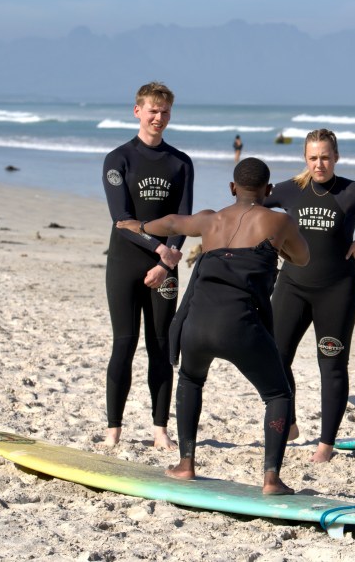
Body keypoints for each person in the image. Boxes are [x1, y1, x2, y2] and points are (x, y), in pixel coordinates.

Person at [116, 157, 309, 494]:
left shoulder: (209, 220)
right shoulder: (280, 221)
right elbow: (303, 257)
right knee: (278, 394)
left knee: (190, 380)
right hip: (241, 327)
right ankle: (271, 478)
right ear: (269, 190)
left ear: (233, 189)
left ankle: (186, 464)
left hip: (196, 324)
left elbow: (173, 222)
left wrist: (141, 227)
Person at [265, 128, 355, 462]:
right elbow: (250, 203)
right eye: (313, 158)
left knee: (331, 366)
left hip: (337, 290)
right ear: (305, 158)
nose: (320, 164)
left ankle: (325, 445)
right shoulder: (290, 189)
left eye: (326, 157)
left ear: (336, 157)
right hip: (291, 286)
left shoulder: (352, 192)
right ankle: (288, 421)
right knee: (274, 357)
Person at [102, 81, 194, 450]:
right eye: (153, 111)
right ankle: (114, 431)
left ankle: (160, 430)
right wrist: (161, 249)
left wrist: (168, 260)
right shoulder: (118, 158)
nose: (159, 118)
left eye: (165, 112)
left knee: (161, 347)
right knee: (123, 345)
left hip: (165, 266)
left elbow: (184, 217)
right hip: (125, 262)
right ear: (137, 111)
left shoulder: (180, 162)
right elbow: (121, 220)